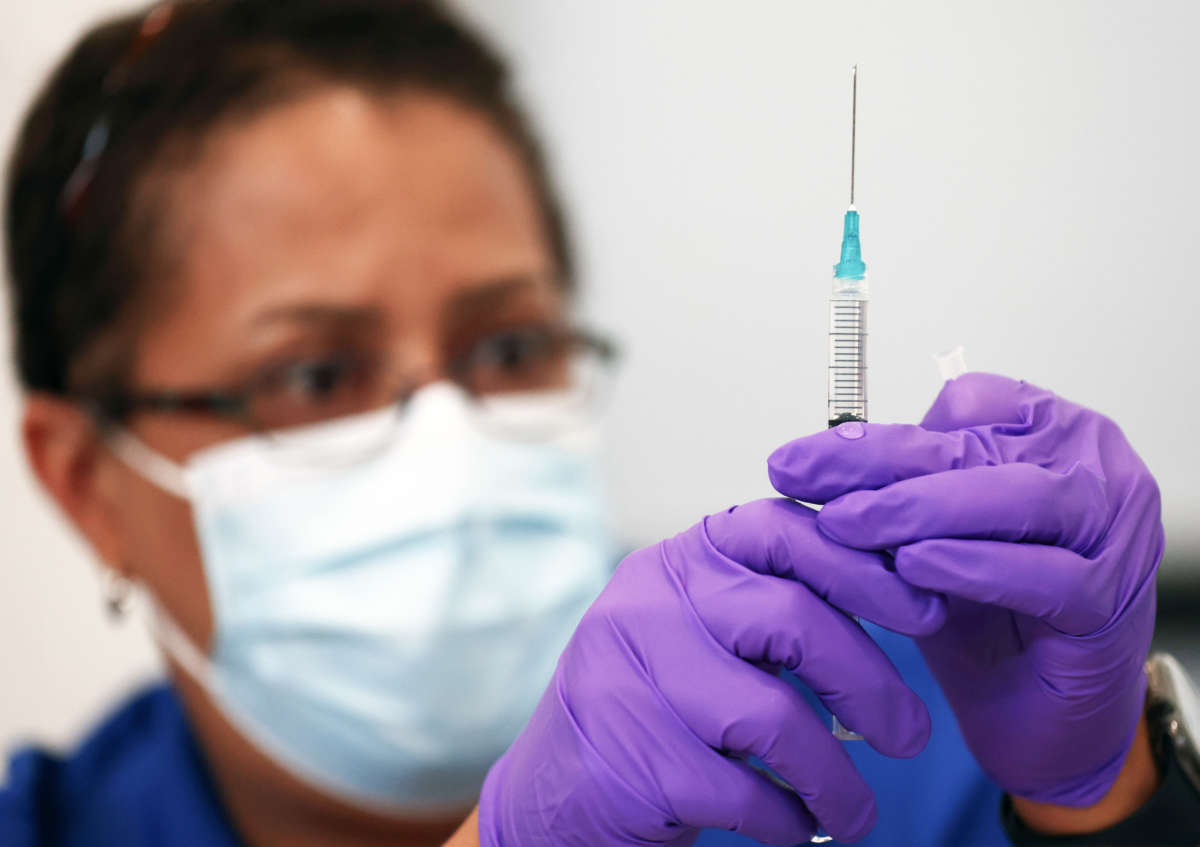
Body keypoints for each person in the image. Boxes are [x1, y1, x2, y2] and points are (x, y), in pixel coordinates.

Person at [0, 2, 1193, 845]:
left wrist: (1105, 801)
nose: (449, 440)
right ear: (84, 482)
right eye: (314, 376)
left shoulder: (878, 759)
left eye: (510, 348)